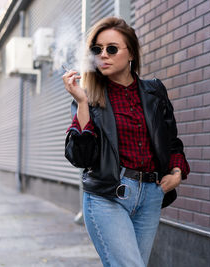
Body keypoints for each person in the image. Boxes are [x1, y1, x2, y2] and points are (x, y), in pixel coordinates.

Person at [62, 17, 190, 267]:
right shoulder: (88, 96)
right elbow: (80, 158)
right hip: (108, 196)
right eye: (97, 50)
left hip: (151, 196)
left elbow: (172, 141)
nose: (103, 55)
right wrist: (81, 104)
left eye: (111, 48)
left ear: (130, 52)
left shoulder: (154, 91)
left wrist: (177, 172)